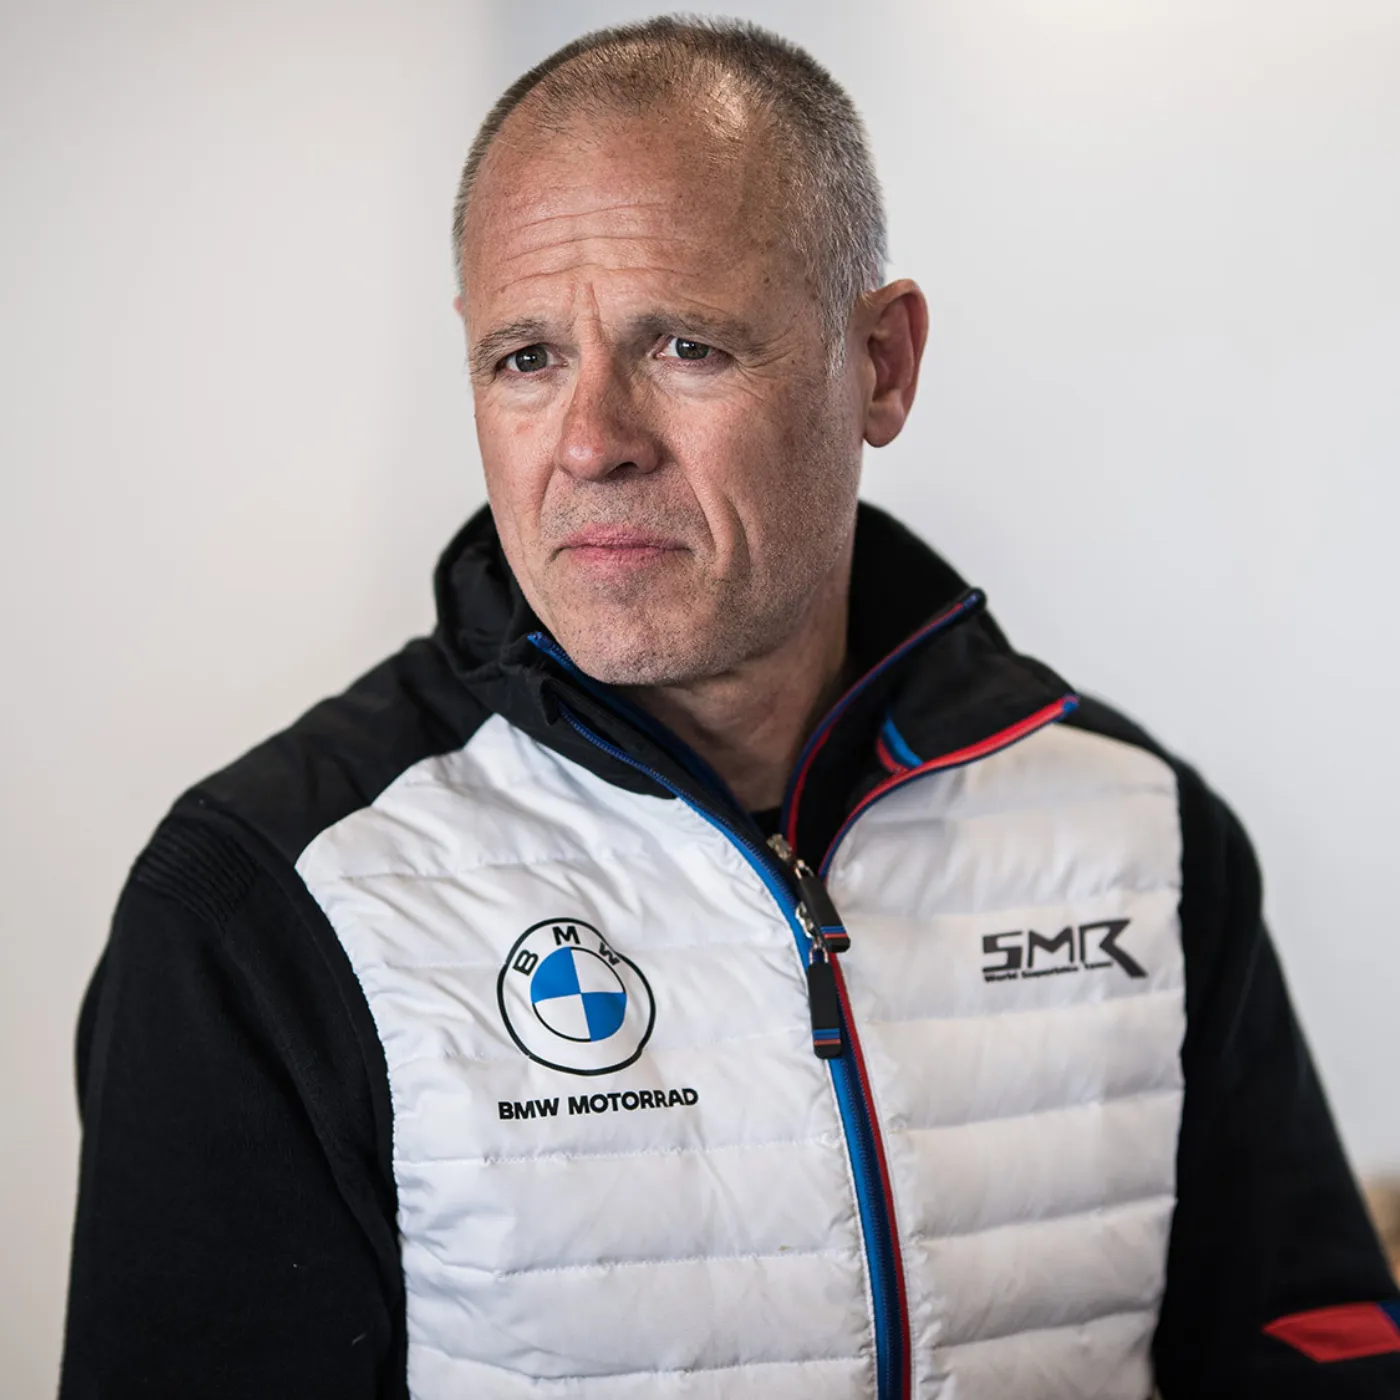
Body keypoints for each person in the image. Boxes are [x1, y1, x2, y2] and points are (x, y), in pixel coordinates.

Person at [60, 17, 1400, 1400]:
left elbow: (1316, 1351)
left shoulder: (1138, 834)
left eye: (686, 345)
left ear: (879, 364)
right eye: (526, 358)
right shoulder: (264, 906)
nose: (593, 441)